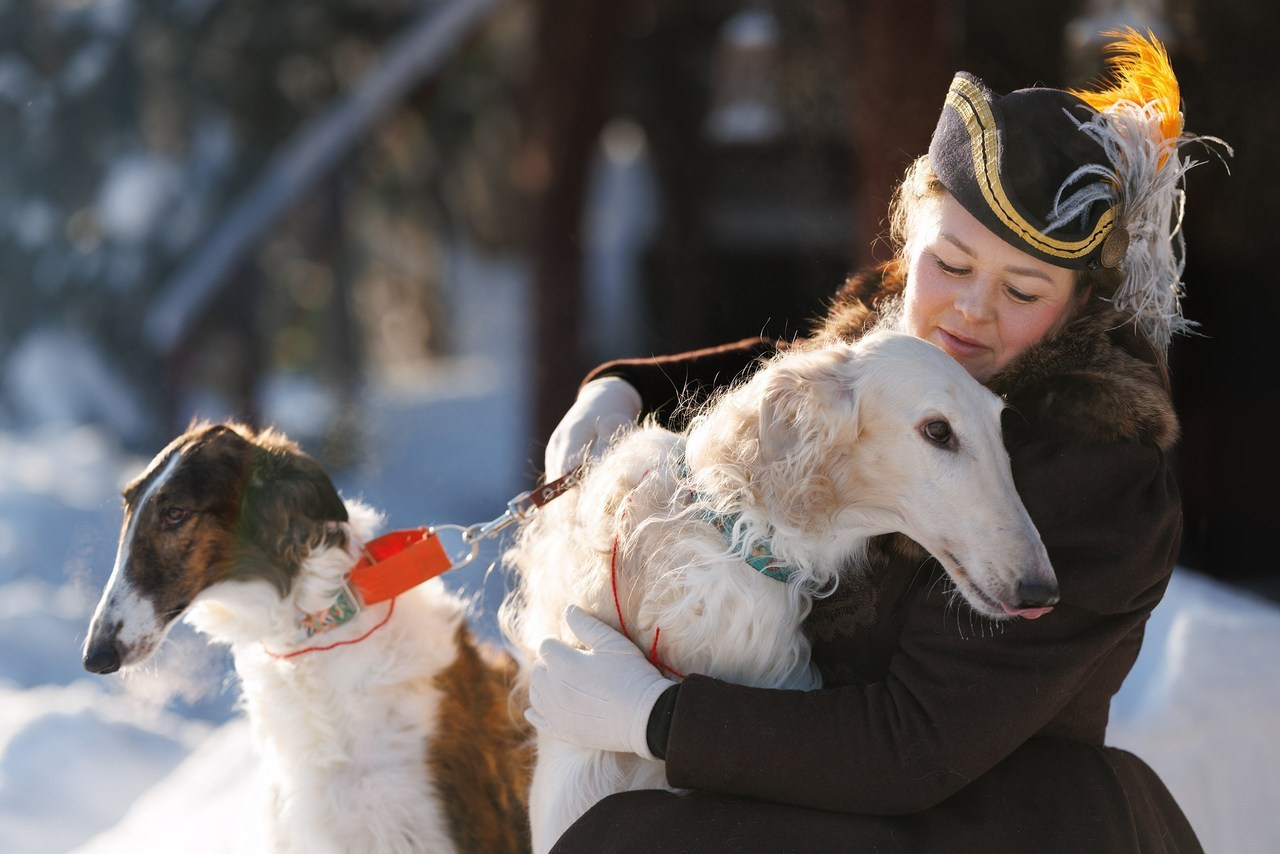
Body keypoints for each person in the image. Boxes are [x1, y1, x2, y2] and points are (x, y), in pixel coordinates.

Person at [527, 29, 1223, 853]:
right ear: (908, 243)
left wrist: (653, 717)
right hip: (824, 798)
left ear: (1079, 306)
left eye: (1023, 289)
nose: (972, 309)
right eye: (951, 265)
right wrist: (623, 389)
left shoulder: (1096, 478)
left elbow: (913, 744)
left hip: (985, 822)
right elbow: (786, 378)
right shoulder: (896, 360)